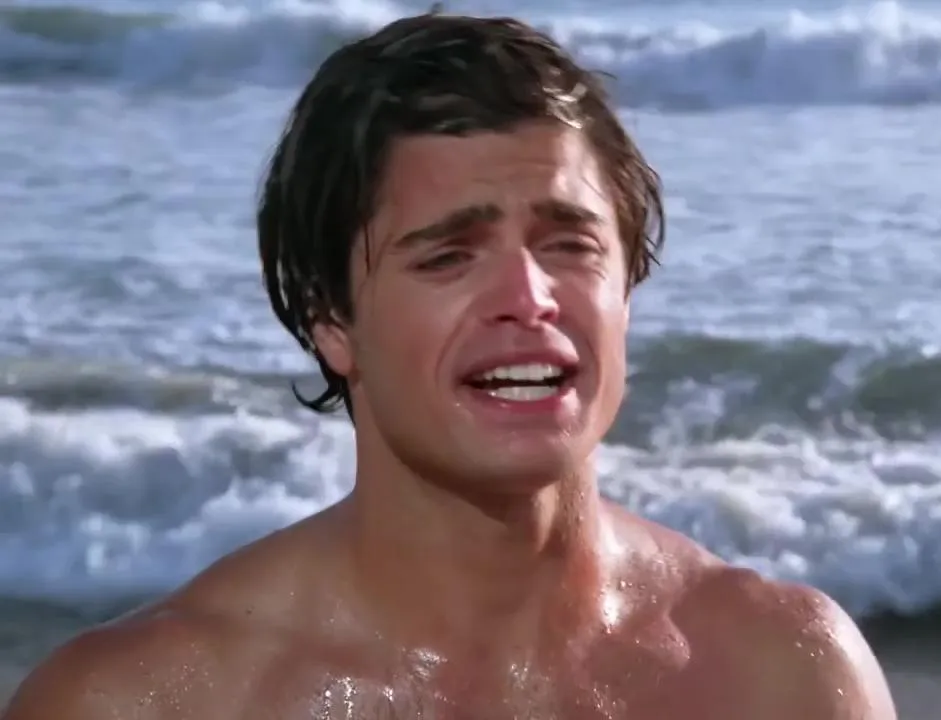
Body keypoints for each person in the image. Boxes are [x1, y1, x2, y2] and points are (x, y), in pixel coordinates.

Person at [2, 11, 896, 720]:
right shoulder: (148, 704)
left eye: (569, 245)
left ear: (628, 287)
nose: (529, 297)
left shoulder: (781, 674)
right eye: (448, 257)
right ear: (330, 320)